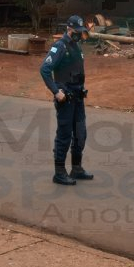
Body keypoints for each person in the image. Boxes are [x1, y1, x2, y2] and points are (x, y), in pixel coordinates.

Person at [40, 15, 93, 186]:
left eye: (81, 32)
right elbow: (45, 70)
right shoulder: (59, 46)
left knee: (80, 135)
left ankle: (76, 168)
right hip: (66, 98)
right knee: (64, 136)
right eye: (77, 32)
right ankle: (59, 173)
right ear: (69, 29)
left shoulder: (76, 45)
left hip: (78, 97)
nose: (79, 34)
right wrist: (56, 91)